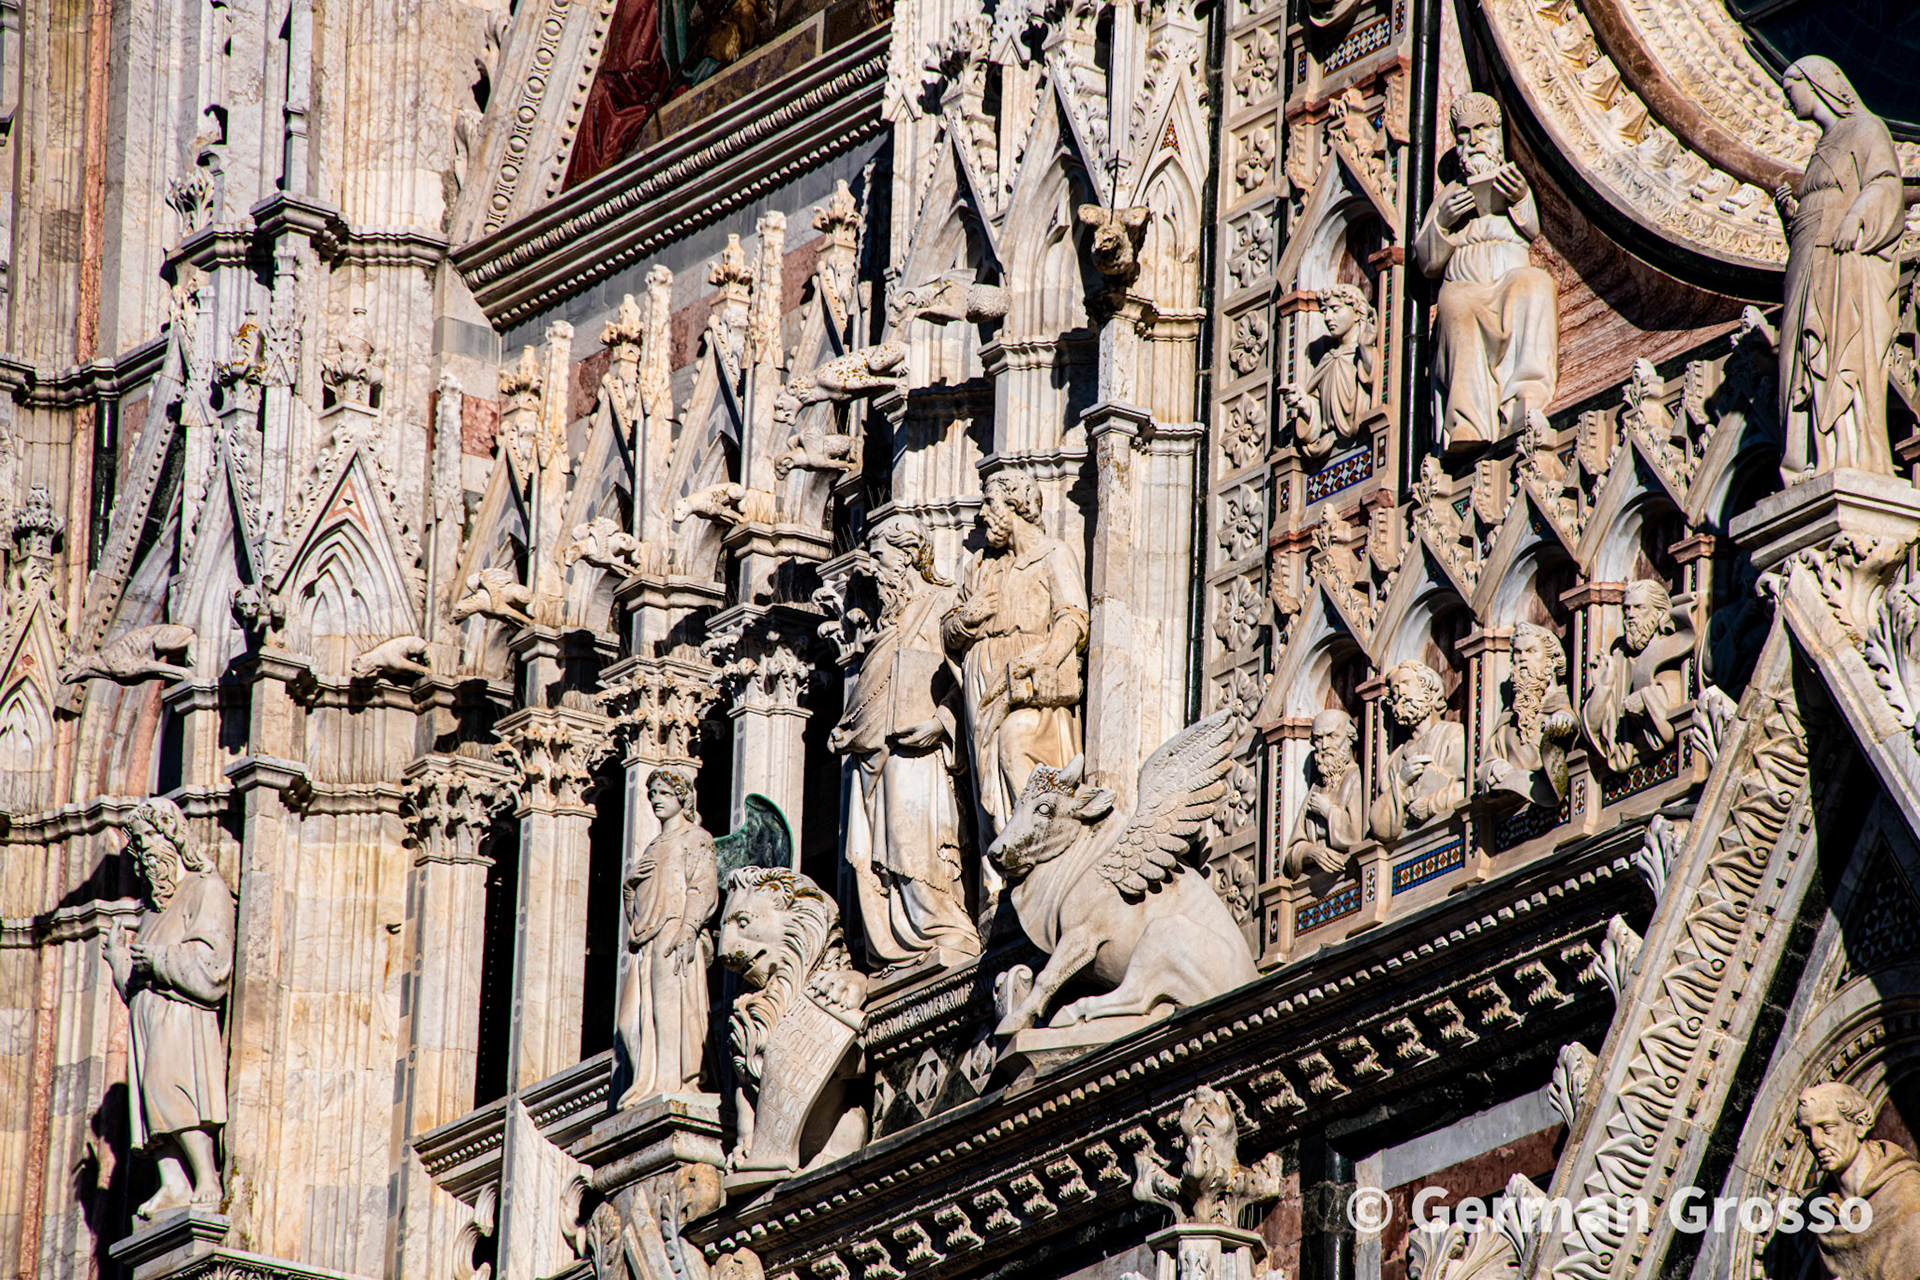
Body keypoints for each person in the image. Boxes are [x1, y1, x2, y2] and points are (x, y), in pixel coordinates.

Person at [830, 517, 981, 968]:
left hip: (925, 749)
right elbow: (874, 687)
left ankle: (943, 927)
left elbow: (970, 678)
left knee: (917, 840)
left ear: (909, 554)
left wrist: (941, 722)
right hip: (879, 752)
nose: (874, 569)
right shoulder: (886, 620)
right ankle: (898, 943)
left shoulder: (944, 603)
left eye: (880, 557)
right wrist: (850, 727)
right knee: (886, 846)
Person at [1774, 57, 1903, 483]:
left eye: (1790, 89)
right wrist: (1793, 217)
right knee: (1800, 355)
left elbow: (1885, 183)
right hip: (1808, 263)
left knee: (1835, 347)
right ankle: (1811, 455)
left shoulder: (1866, 129)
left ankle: (1844, 451)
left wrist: (1856, 217)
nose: (1787, 100)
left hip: (1843, 264)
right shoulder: (1821, 148)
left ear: (1815, 84)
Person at [105, 797, 235, 1218]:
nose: (143, 851)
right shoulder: (151, 910)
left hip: (181, 1013)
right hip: (148, 1015)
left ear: (171, 835)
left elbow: (213, 967)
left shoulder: (205, 888)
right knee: (150, 1096)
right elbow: (135, 984)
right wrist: (119, 960)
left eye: (147, 838)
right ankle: (173, 1181)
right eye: (137, 844)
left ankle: (206, 1177)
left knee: (171, 1086)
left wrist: (159, 959)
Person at [942, 469, 1089, 839]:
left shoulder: (1053, 554)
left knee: (1014, 743)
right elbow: (947, 632)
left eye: (989, 503)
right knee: (986, 782)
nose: (982, 514)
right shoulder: (980, 567)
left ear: (1015, 504)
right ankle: (997, 867)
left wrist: (1048, 661)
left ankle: (1036, 845)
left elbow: (1073, 616)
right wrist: (968, 617)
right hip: (981, 682)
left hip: (1028, 678)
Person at [1414, 92, 1558, 453]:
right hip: (1466, 283)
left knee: (1536, 283)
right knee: (1454, 303)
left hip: (1510, 275)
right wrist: (1443, 220)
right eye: (1464, 133)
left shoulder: (1510, 179)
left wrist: (1520, 197)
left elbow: (1531, 227)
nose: (1474, 140)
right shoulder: (1450, 193)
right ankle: (1468, 420)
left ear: (1497, 132)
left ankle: (1525, 396)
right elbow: (1426, 261)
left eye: (1481, 129)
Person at [615, 767, 717, 1107]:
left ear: (682, 798)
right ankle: (647, 1082)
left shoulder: (696, 838)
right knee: (629, 1021)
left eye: (663, 793)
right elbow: (639, 912)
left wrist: (689, 929)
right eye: (652, 794)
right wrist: (629, 886)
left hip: (675, 931)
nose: (656, 800)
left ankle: (671, 1082)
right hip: (648, 941)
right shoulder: (652, 847)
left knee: (670, 1010)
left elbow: (703, 887)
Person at [1795, 1082, 1920, 1280]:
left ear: (1859, 1125)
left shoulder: (1908, 1199)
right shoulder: (1821, 1214)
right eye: (1807, 1132)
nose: (1816, 1142)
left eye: (1827, 1128)